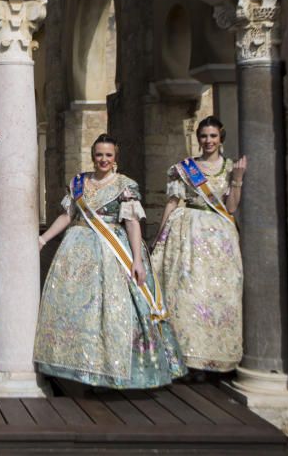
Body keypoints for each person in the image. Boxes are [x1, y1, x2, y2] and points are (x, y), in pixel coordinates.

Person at [34, 133, 186, 389]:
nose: (103, 160)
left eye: (108, 155)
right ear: (92, 156)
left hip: (112, 252)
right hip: (76, 253)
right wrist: (43, 239)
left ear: (115, 158)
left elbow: (132, 223)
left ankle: (111, 369)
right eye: (99, 155)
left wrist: (137, 260)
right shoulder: (79, 182)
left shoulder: (125, 185)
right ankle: (76, 366)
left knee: (114, 309)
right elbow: (68, 215)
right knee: (75, 307)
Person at [151, 116, 247, 373]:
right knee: (187, 295)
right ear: (198, 138)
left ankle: (215, 358)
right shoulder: (184, 168)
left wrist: (237, 178)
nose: (208, 141)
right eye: (204, 136)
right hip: (188, 234)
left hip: (220, 238)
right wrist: (160, 239)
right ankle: (187, 357)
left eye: (213, 136)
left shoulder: (229, 167)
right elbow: (172, 203)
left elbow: (231, 207)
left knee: (219, 296)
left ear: (220, 138)